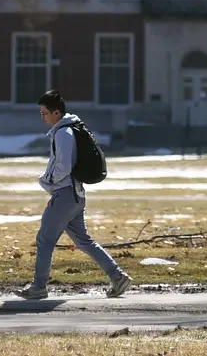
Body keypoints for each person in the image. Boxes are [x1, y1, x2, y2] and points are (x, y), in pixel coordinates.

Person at [19, 90, 131, 300]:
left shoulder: (63, 133)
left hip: (65, 195)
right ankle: (118, 277)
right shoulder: (68, 129)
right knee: (84, 241)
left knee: (45, 239)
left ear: (56, 112)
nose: (42, 117)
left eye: (44, 113)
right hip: (75, 195)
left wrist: (47, 179)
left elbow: (64, 166)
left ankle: (39, 287)